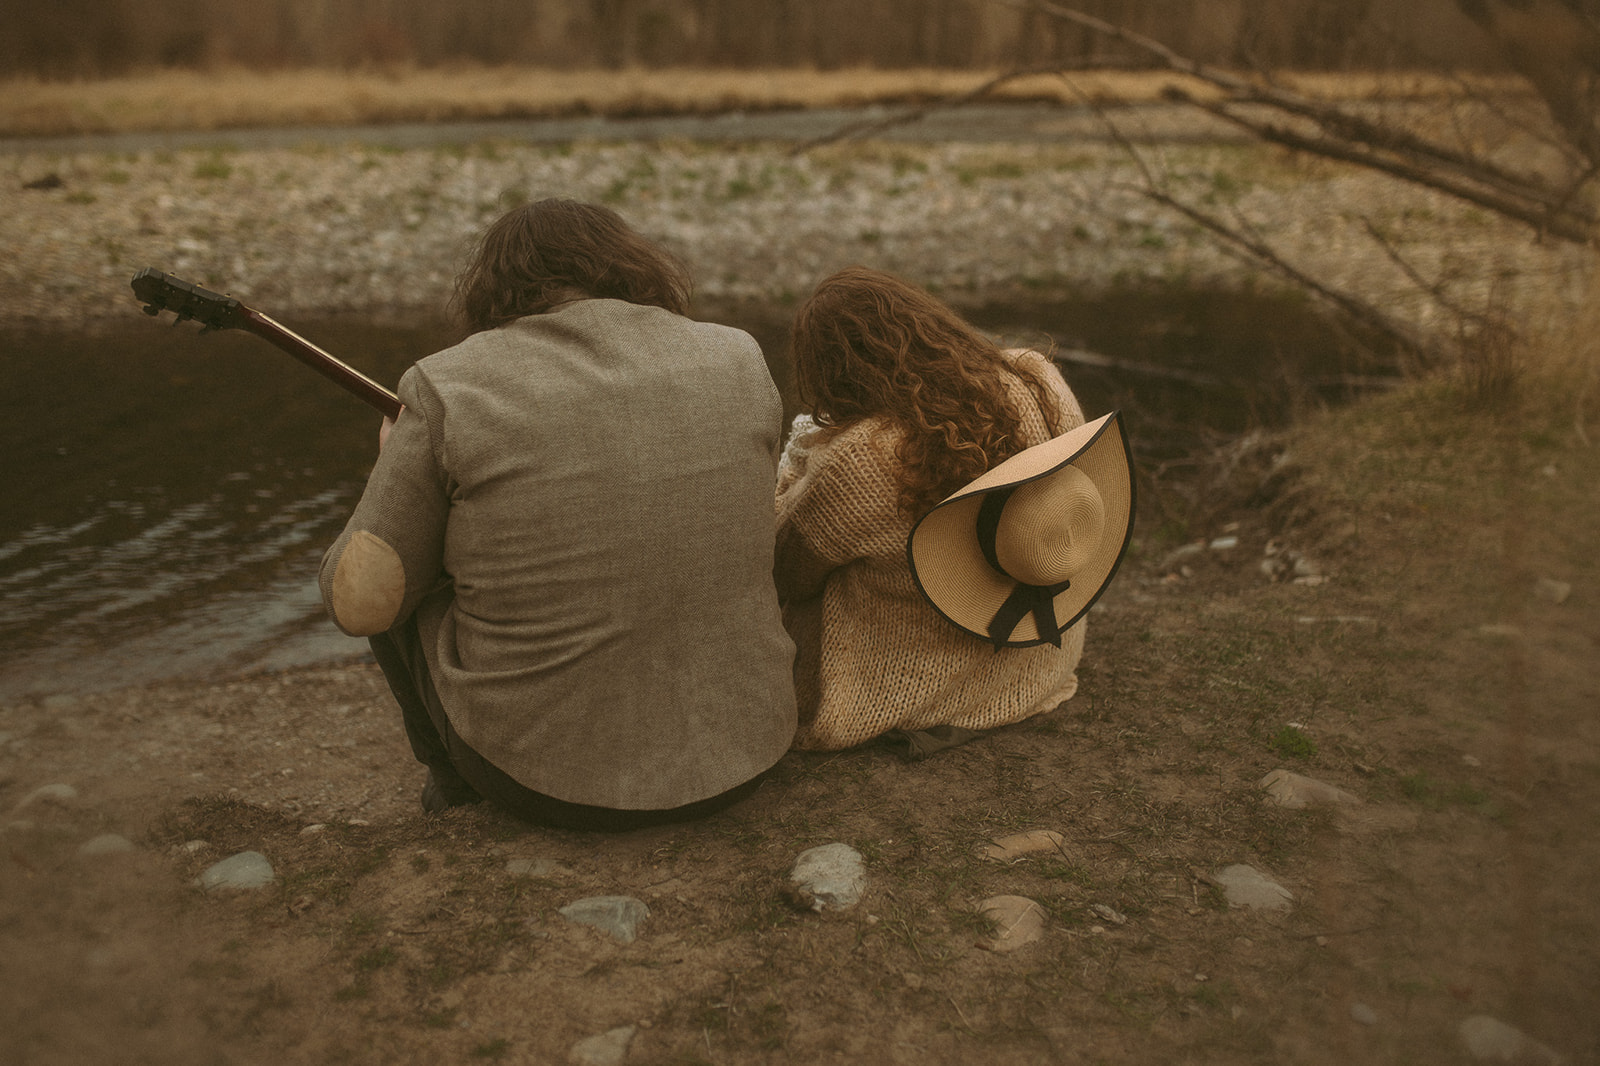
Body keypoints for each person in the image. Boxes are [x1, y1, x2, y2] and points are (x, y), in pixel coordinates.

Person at [320, 199, 797, 830]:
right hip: (751, 751)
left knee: (390, 563)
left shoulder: (446, 384)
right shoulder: (738, 355)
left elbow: (360, 602)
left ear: (493, 287)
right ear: (633, 268)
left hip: (545, 784)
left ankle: (451, 778)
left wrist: (393, 467)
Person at [774, 267, 1132, 755]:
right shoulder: (1035, 376)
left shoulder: (862, 456)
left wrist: (794, 473)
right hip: (1038, 662)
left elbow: (786, 569)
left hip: (909, 688)